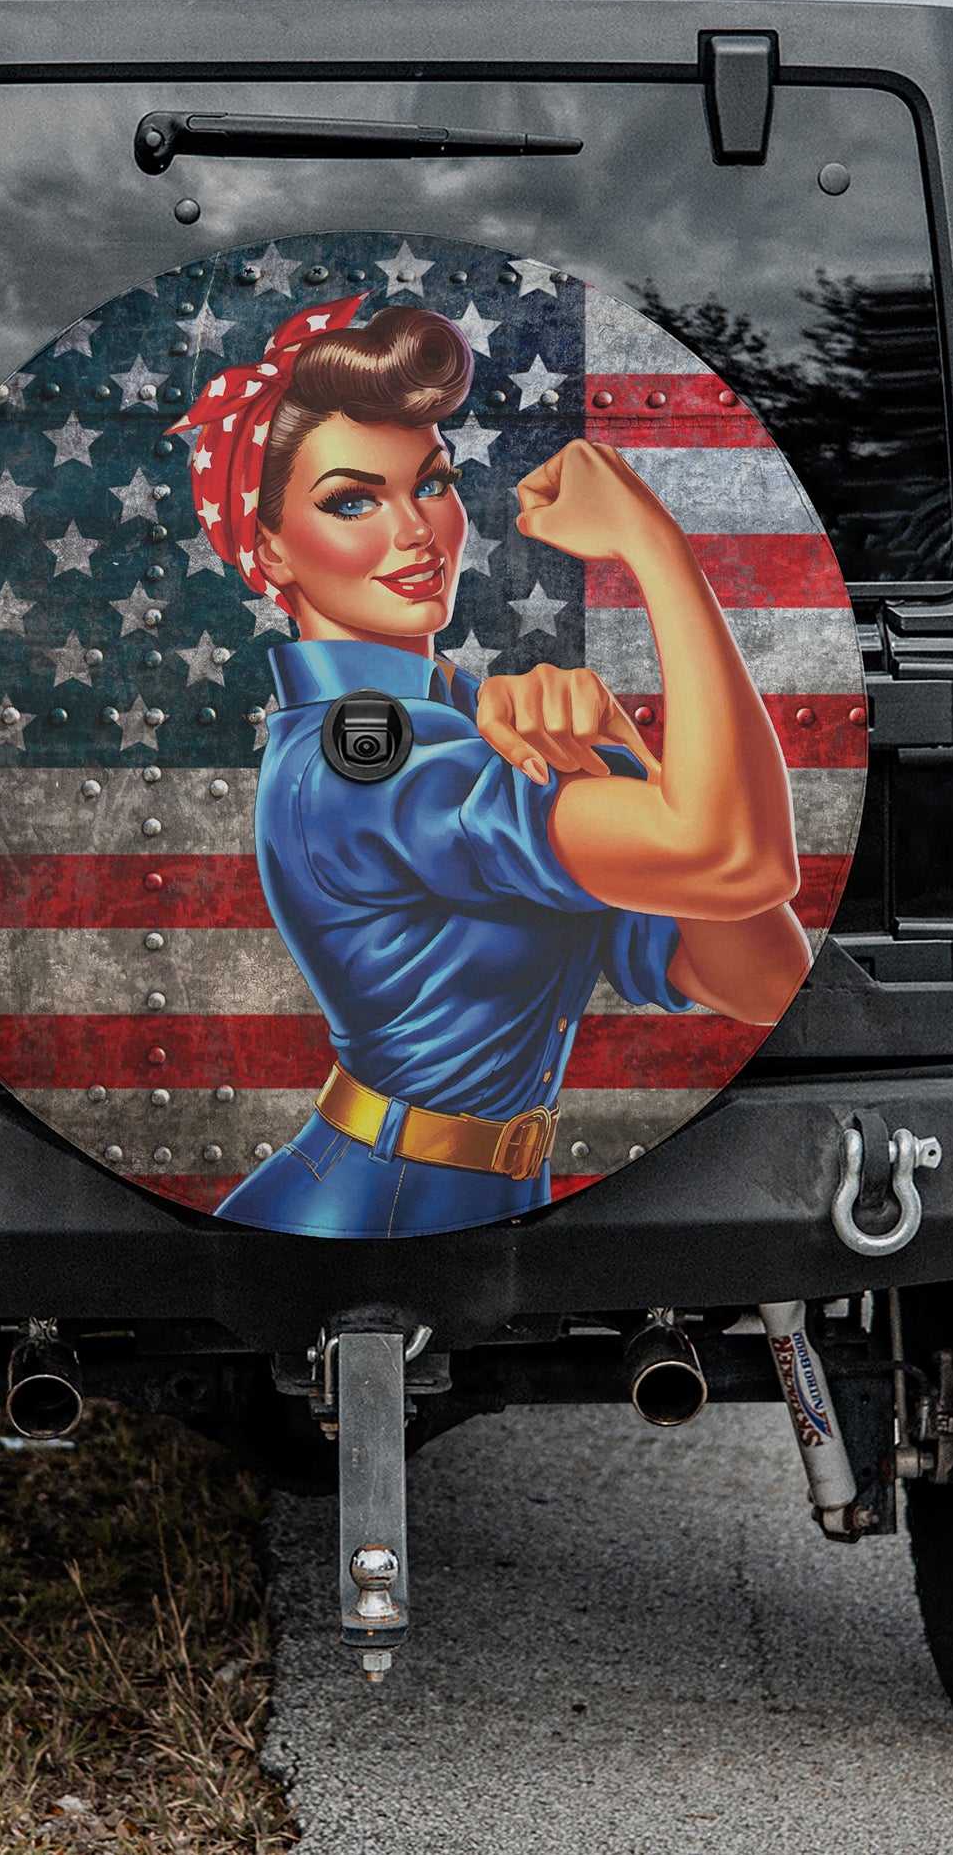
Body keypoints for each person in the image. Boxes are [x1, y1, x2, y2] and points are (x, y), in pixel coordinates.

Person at [171, 294, 807, 1237]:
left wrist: (620, 752)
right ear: (269, 549)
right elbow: (737, 858)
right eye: (352, 501)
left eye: (429, 482)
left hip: (489, 1202)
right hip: (360, 1211)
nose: (415, 532)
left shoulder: (471, 724)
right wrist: (656, 548)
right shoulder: (358, 760)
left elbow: (760, 980)